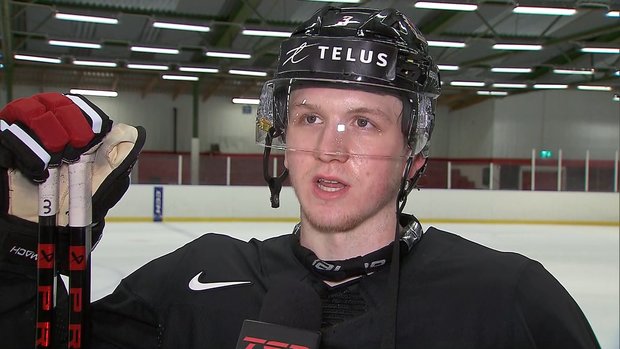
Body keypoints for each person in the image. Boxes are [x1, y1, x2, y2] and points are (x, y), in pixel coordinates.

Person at [0, 6, 600, 349]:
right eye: (310, 117)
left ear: (414, 154)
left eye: (363, 122)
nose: (328, 149)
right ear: (283, 142)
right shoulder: (192, 280)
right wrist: (22, 245)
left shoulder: (509, 299)